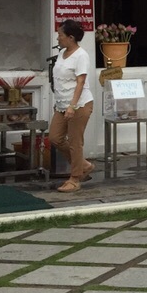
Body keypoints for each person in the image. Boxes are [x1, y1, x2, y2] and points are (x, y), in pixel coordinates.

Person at [49, 19, 95, 193]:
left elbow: (80, 81)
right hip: (61, 105)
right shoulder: (62, 53)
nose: (58, 38)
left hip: (79, 105)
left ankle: (75, 178)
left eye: (60, 35)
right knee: (55, 137)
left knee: (76, 142)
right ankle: (83, 165)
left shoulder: (81, 55)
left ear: (71, 37)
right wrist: (61, 103)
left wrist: (72, 106)